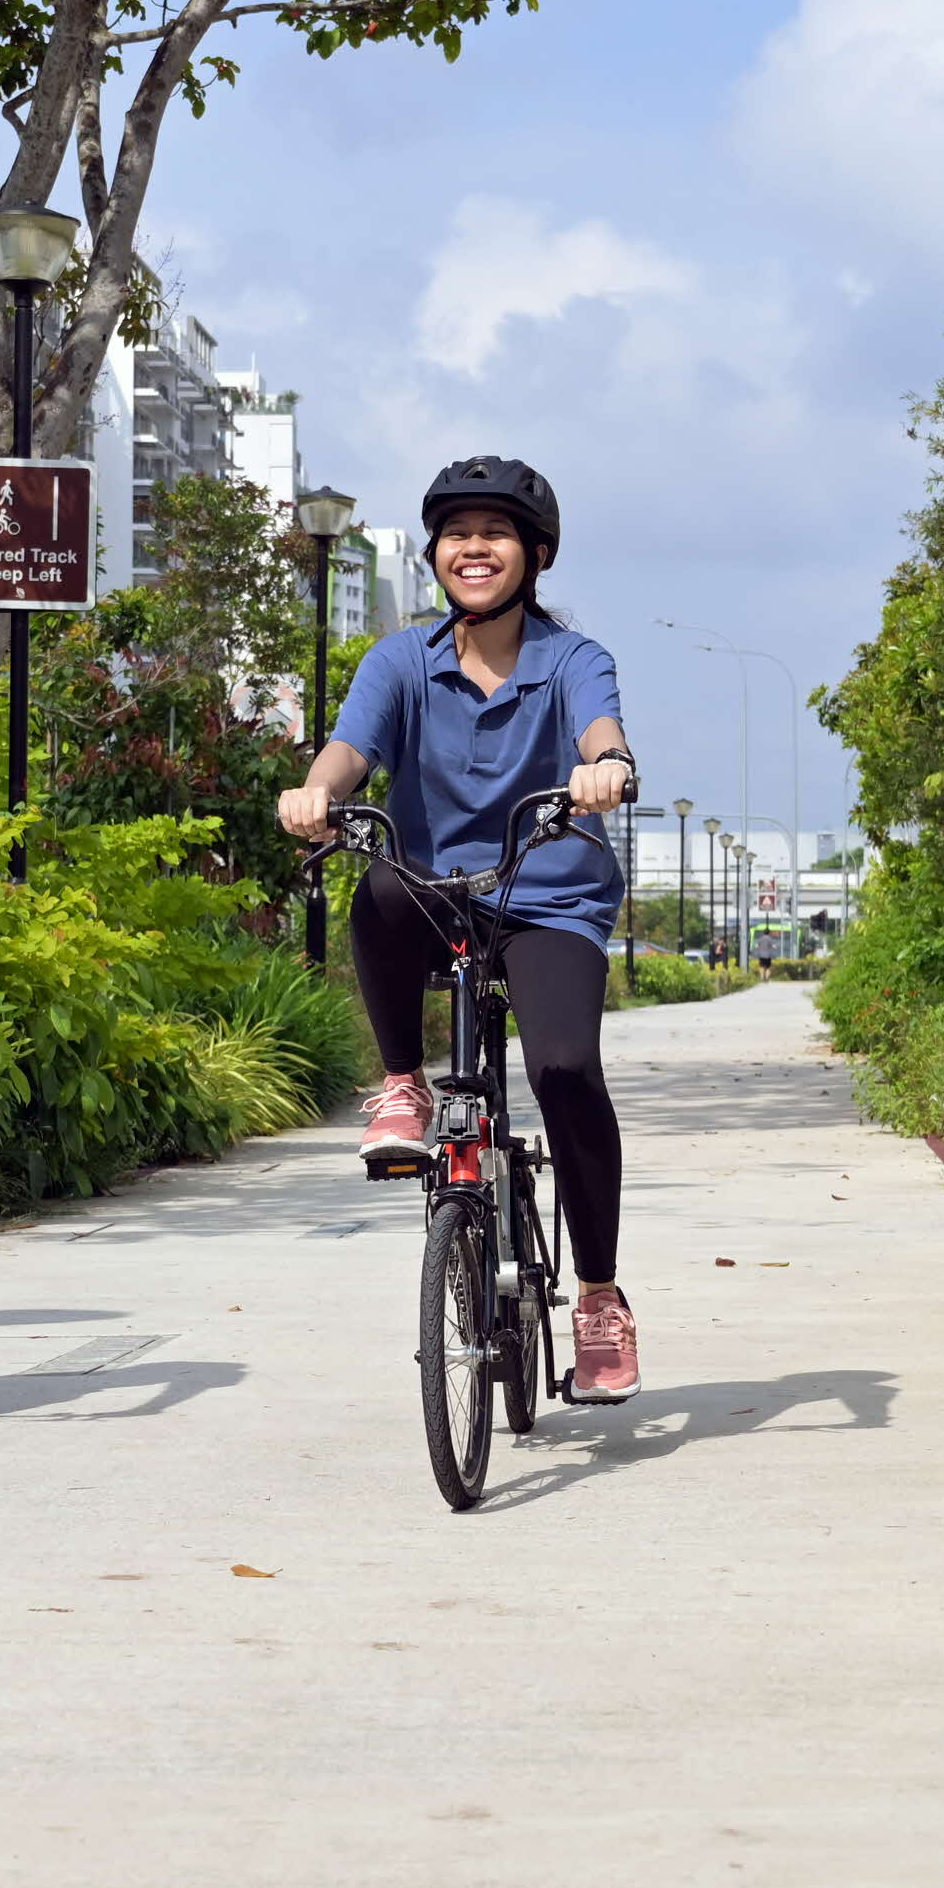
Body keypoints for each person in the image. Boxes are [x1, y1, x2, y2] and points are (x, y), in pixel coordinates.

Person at [272, 456, 648, 1401]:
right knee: (380, 886)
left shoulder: (572, 659)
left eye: (497, 533)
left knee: (564, 1070)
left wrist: (606, 766)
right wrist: (320, 791)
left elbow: (599, 729)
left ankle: (599, 1296)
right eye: (457, 534)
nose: (474, 549)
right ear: (438, 555)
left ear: (534, 554)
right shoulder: (401, 659)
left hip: (549, 893)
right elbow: (352, 747)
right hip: (440, 890)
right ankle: (401, 1086)